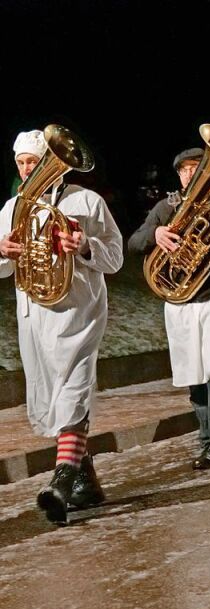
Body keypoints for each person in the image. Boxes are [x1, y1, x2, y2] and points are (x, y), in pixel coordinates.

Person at [0, 129, 123, 524]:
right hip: (36, 314)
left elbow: (116, 257)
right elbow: (3, 268)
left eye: (32, 161)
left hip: (80, 311)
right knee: (54, 397)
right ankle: (87, 484)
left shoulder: (88, 201)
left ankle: (62, 481)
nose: (26, 169)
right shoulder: (11, 208)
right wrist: (3, 251)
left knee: (74, 389)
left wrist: (85, 245)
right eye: (20, 162)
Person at [127, 146, 210, 472]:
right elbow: (134, 243)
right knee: (193, 375)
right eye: (185, 170)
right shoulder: (165, 208)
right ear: (179, 174)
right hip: (179, 302)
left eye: (197, 168)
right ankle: (205, 440)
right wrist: (155, 233)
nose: (190, 174)